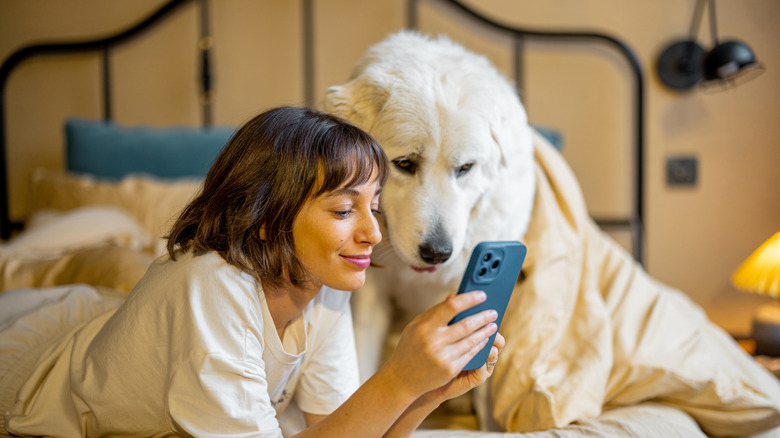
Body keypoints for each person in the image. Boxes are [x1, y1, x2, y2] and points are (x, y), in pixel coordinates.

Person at [4, 106, 504, 437]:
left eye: (374, 207)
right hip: (24, 367)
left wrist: (424, 391)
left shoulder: (325, 283)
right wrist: (396, 377)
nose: (374, 233)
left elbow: (341, 430)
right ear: (264, 218)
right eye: (342, 210)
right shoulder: (214, 284)